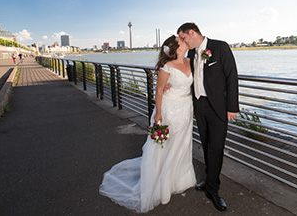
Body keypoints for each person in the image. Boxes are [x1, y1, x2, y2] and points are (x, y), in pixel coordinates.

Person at [99, 35, 196, 213]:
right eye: (182, 40)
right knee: (167, 145)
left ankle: (180, 178)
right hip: (169, 109)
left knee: (182, 143)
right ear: (176, 47)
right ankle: (162, 184)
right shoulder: (167, 67)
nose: (185, 41)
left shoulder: (192, 60)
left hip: (186, 108)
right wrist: (158, 113)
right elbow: (159, 91)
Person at [177, 22, 239, 211]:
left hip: (219, 108)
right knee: (206, 145)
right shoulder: (192, 53)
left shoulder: (220, 47)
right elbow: (190, 78)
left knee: (216, 148)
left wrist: (232, 107)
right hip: (200, 106)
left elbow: (232, 76)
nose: (182, 41)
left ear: (192, 33)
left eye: (183, 37)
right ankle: (209, 178)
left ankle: (213, 189)